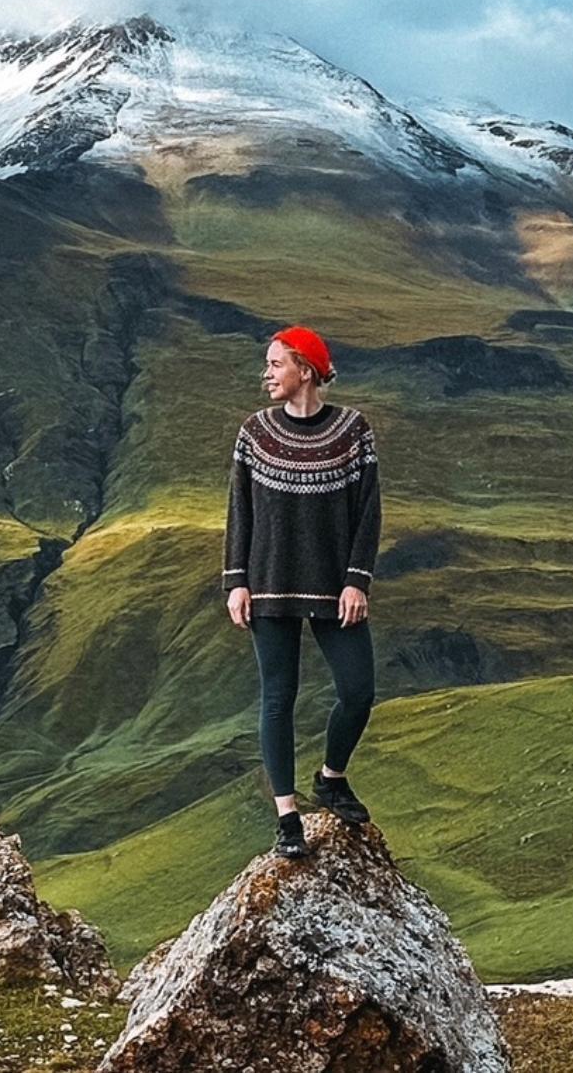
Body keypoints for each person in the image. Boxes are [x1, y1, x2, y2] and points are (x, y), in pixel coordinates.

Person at [223, 324, 381, 859]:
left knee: (358, 690)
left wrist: (357, 579)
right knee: (278, 699)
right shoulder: (254, 433)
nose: (266, 374)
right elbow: (239, 512)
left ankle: (331, 777)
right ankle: (287, 817)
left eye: (274, 365)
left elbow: (368, 514)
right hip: (268, 585)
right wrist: (236, 581)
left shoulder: (353, 432)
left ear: (304, 371)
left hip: (333, 587)